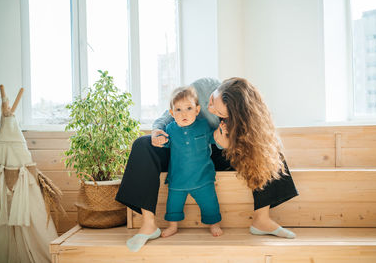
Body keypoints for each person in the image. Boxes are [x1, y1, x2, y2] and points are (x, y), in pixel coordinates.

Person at [116, 77, 298, 252]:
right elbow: (168, 114)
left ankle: (262, 219)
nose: (210, 109)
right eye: (211, 102)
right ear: (216, 90)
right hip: (182, 148)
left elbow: (244, 143)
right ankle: (148, 224)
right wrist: (157, 131)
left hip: (217, 149)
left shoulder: (241, 118)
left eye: (218, 113)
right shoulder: (202, 86)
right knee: (142, 144)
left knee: (267, 148)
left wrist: (227, 144)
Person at [160, 86, 222, 238]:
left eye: (189, 108)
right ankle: (173, 226)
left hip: (202, 177)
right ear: (172, 113)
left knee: (210, 202)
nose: (184, 113)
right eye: (178, 110)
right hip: (178, 179)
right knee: (173, 204)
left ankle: (214, 224)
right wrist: (160, 139)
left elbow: (215, 139)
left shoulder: (203, 125)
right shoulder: (170, 129)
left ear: (197, 110)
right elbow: (165, 143)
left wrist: (222, 131)